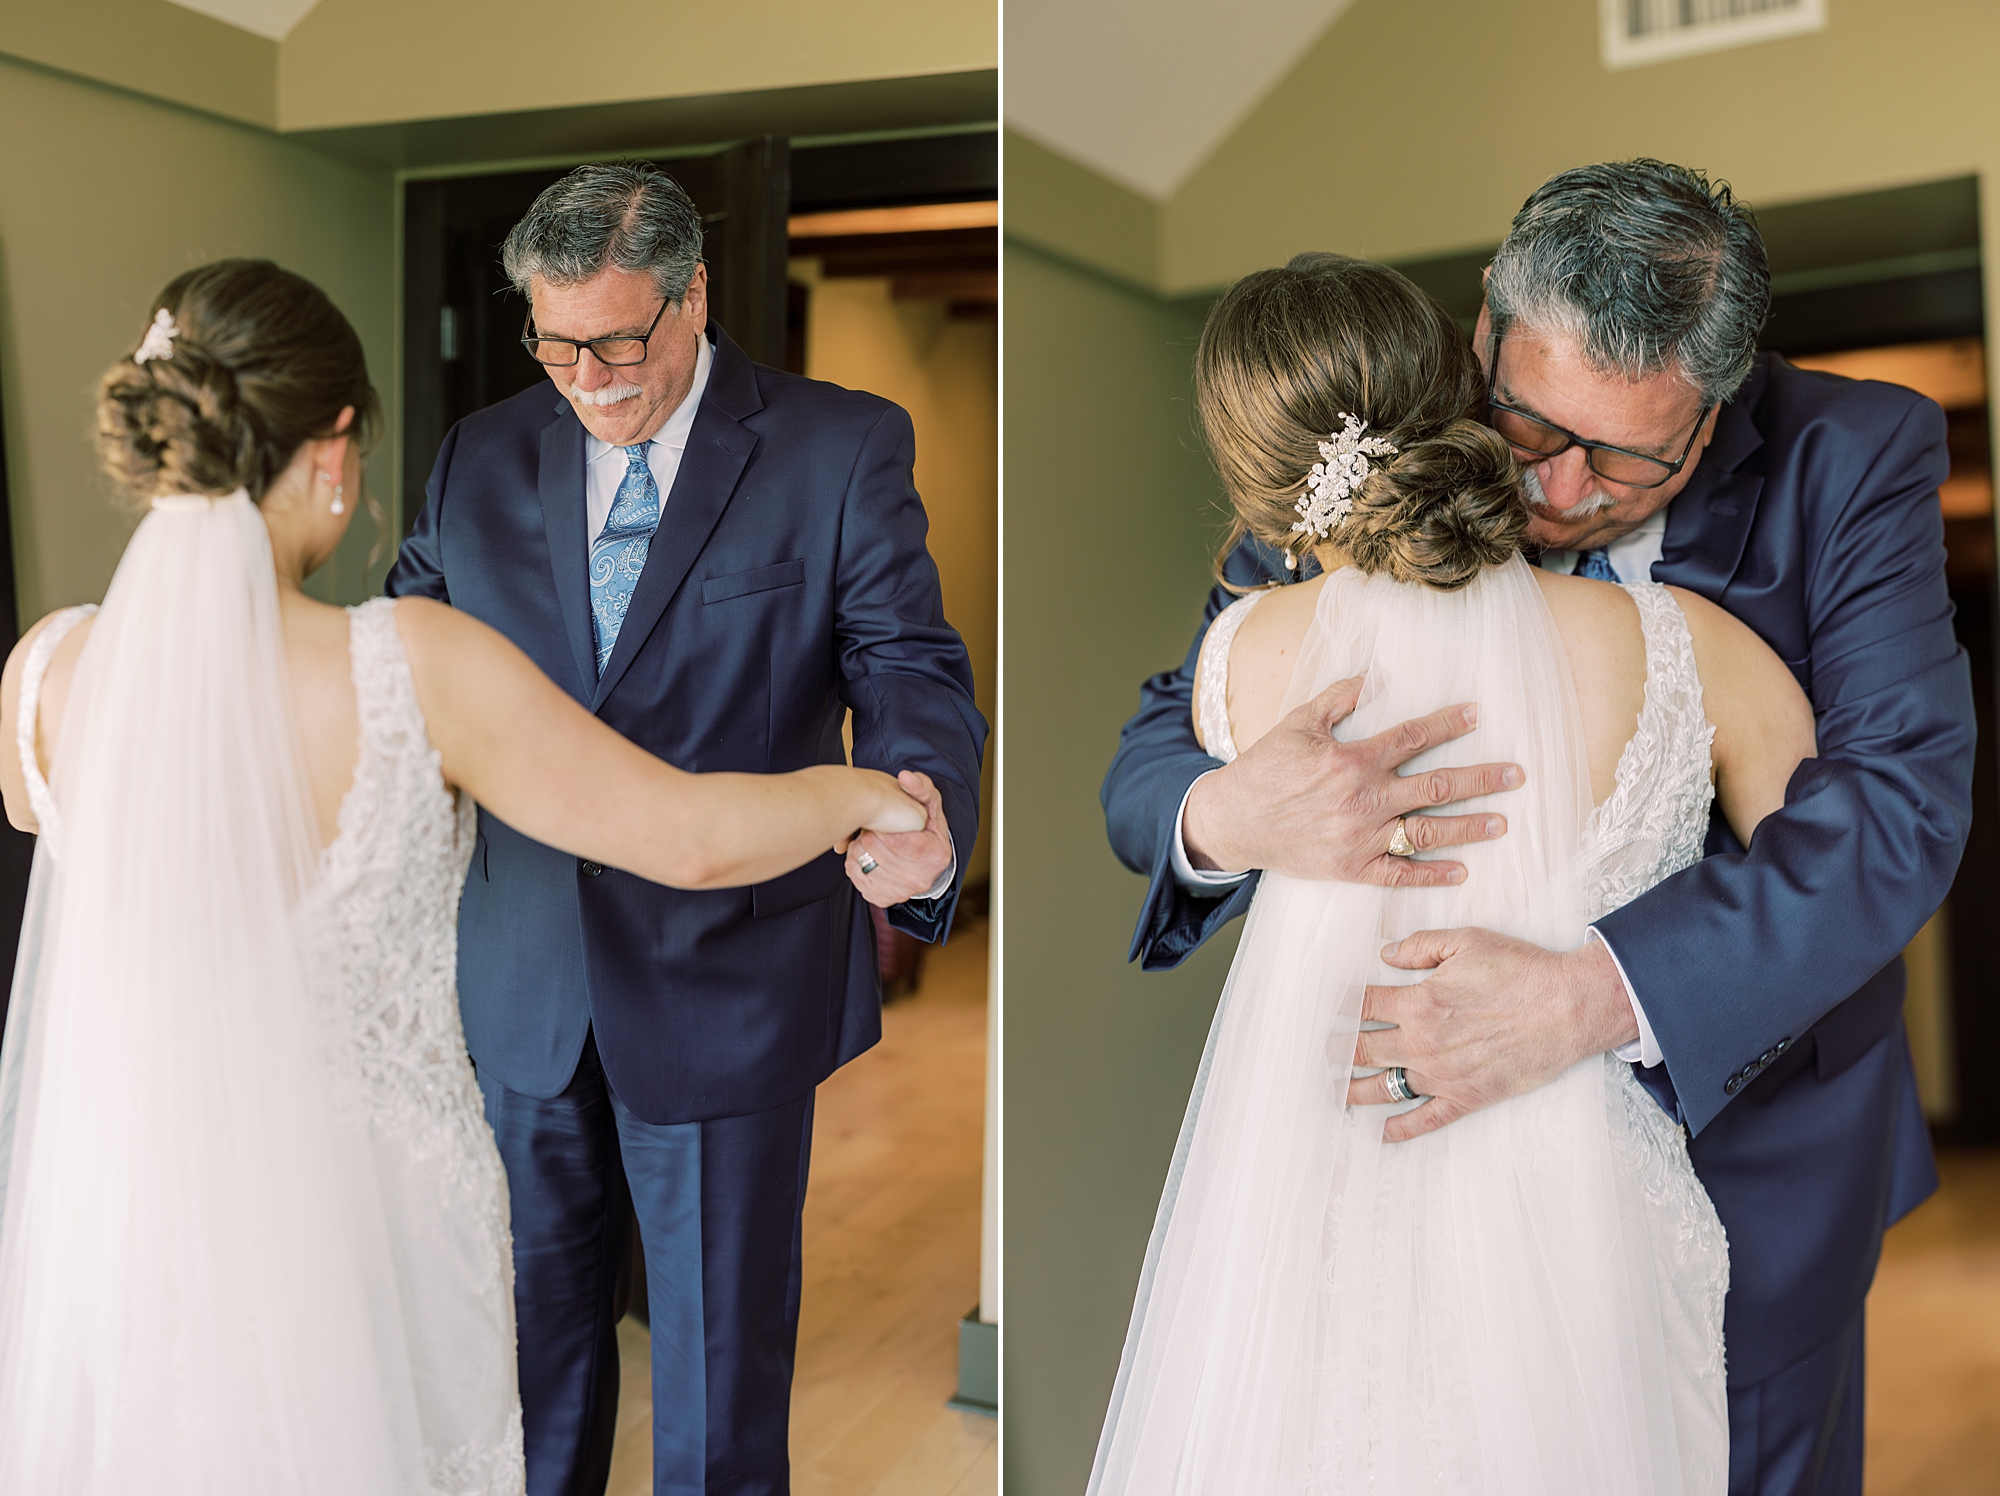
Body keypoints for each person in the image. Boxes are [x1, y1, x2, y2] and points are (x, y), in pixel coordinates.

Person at [1101, 162, 1975, 1493]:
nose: (1560, 493)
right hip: (1395, 1192)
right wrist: (1222, 811)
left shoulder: (1850, 457)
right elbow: (1176, 725)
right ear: (1484, 343)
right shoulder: (1391, 429)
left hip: (1749, 1167)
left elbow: (1894, 811)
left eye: (1629, 456)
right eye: (1530, 426)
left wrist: (1594, 993)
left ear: (1718, 405)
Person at [0, 260, 927, 1494]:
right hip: (363, 1227)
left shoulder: (44, 676)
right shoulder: (404, 667)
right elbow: (689, 836)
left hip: (139, 1222)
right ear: (333, 448)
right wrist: (865, 792)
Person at [386, 162, 986, 1496]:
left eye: (619, 341)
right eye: (555, 343)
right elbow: (401, 666)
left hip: (730, 979)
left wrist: (922, 801)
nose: (589, 378)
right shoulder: (478, 456)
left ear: (693, 294)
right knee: (530, 1374)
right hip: (525, 977)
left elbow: (905, 665)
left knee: (717, 1400)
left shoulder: (840, 445)